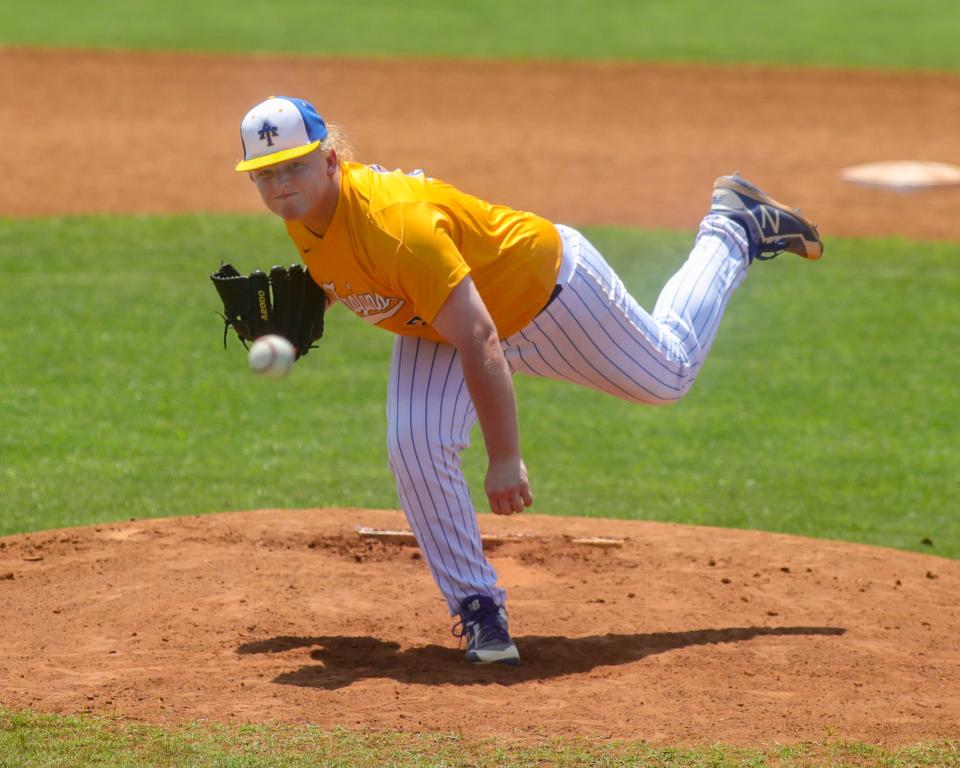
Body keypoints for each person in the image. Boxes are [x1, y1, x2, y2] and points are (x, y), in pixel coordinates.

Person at [234, 95, 823, 666]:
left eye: (295, 166)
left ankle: (732, 228)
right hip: (443, 321)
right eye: (265, 174)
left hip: (547, 292)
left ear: (331, 159)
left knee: (667, 374)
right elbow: (363, 270)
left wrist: (505, 457)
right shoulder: (305, 214)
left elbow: (480, 337)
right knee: (414, 442)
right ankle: (478, 606)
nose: (281, 184)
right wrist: (311, 310)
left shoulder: (396, 223)